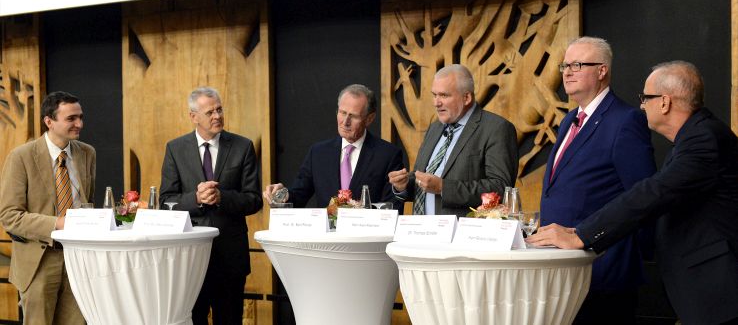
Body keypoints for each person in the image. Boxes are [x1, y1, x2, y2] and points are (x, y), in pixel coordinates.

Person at [527, 61, 738, 325]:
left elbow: (653, 193)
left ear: (664, 102)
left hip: (718, 288)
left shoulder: (703, 139)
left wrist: (582, 235)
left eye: (645, 98)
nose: (641, 105)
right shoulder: (693, 138)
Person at [540, 37, 656, 324]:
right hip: (560, 271)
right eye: (565, 65)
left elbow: (643, 197)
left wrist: (624, 255)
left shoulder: (625, 120)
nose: (566, 72)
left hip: (604, 272)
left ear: (602, 70)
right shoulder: (569, 120)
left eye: (577, 65)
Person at [160, 87, 262, 325]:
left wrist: (221, 197)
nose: (217, 116)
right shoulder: (175, 149)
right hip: (190, 257)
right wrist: (195, 199)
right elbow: (166, 202)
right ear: (193, 116)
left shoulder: (242, 146)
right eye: (210, 112)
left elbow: (253, 199)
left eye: (219, 109)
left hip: (230, 255)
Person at [0, 91, 94, 325]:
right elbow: (9, 216)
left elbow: (87, 202)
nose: (79, 124)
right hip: (39, 261)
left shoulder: (87, 153)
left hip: (78, 260)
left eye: (80, 117)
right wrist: (58, 223)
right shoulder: (20, 157)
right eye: (71, 118)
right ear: (49, 121)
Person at [388, 64, 518, 216]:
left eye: (444, 95)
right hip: (421, 231)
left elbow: (501, 187)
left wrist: (444, 188)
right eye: (434, 95)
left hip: (463, 234)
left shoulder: (496, 128)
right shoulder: (435, 128)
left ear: (467, 97)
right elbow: (423, 181)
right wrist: (403, 186)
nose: (436, 102)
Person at [263, 84, 404, 208]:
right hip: (327, 236)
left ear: (369, 119)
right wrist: (281, 195)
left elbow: (391, 206)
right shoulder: (318, 153)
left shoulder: (387, 155)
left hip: (367, 235)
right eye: (342, 113)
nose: (345, 122)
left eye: (353, 116)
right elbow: (298, 196)